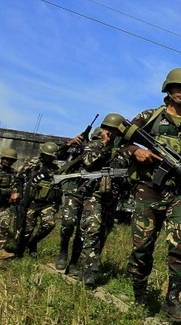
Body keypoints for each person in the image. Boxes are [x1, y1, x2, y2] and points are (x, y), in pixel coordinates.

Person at [122, 68, 181, 323]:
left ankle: (173, 299)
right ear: (168, 89)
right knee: (142, 247)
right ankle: (139, 292)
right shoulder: (149, 116)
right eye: (177, 86)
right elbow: (118, 140)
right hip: (149, 189)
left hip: (180, 192)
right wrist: (135, 150)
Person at [56, 113, 126, 288]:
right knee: (86, 229)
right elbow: (88, 162)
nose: (110, 133)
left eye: (114, 131)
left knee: (101, 234)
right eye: (107, 130)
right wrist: (103, 144)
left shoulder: (124, 151)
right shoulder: (93, 146)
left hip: (111, 199)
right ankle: (89, 272)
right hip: (92, 196)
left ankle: (78, 263)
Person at [13, 141, 62, 258]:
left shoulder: (56, 168)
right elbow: (18, 179)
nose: (49, 158)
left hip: (48, 202)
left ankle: (33, 243)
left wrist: (58, 202)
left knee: (49, 224)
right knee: (27, 228)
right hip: (32, 201)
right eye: (47, 155)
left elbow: (58, 187)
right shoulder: (32, 164)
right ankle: (19, 252)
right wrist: (16, 192)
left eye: (51, 156)